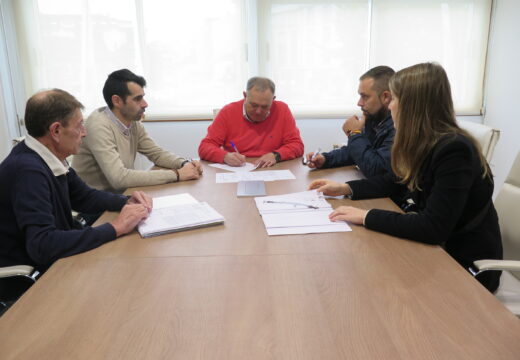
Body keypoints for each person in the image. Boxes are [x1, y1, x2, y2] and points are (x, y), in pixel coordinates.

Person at [309, 63, 503, 292]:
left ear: (413, 105)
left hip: (465, 265)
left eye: (394, 99)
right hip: (438, 252)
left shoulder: (454, 150)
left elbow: (433, 227)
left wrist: (366, 216)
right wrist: (345, 188)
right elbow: (394, 181)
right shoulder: (424, 143)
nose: (390, 105)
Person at [0, 89, 152, 273]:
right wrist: (116, 227)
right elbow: (42, 245)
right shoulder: (27, 171)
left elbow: (83, 196)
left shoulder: (49, 156)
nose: (84, 133)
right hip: (31, 277)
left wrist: (127, 201)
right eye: (79, 126)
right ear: (56, 130)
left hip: (55, 262)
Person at [73, 69, 202, 195]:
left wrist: (185, 164)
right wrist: (177, 174)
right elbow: (119, 178)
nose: (145, 104)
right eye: (137, 99)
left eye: (143, 97)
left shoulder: (132, 121)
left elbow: (156, 154)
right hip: (93, 209)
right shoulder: (98, 125)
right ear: (117, 101)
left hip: (118, 197)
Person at [305, 66, 395, 177]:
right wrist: (326, 159)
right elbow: (357, 152)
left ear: (386, 97)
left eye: (365, 96)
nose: (359, 103)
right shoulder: (374, 119)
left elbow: (377, 170)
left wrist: (354, 133)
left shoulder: (398, 126)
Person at [198, 77, 304, 168]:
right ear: (245, 95)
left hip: (273, 168)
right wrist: (224, 156)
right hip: (237, 170)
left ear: (273, 99)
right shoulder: (228, 112)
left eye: (264, 107)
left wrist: (276, 155)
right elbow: (205, 147)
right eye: (253, 105)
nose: (258, 111)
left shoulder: (282, 110)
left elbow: (297, 145)